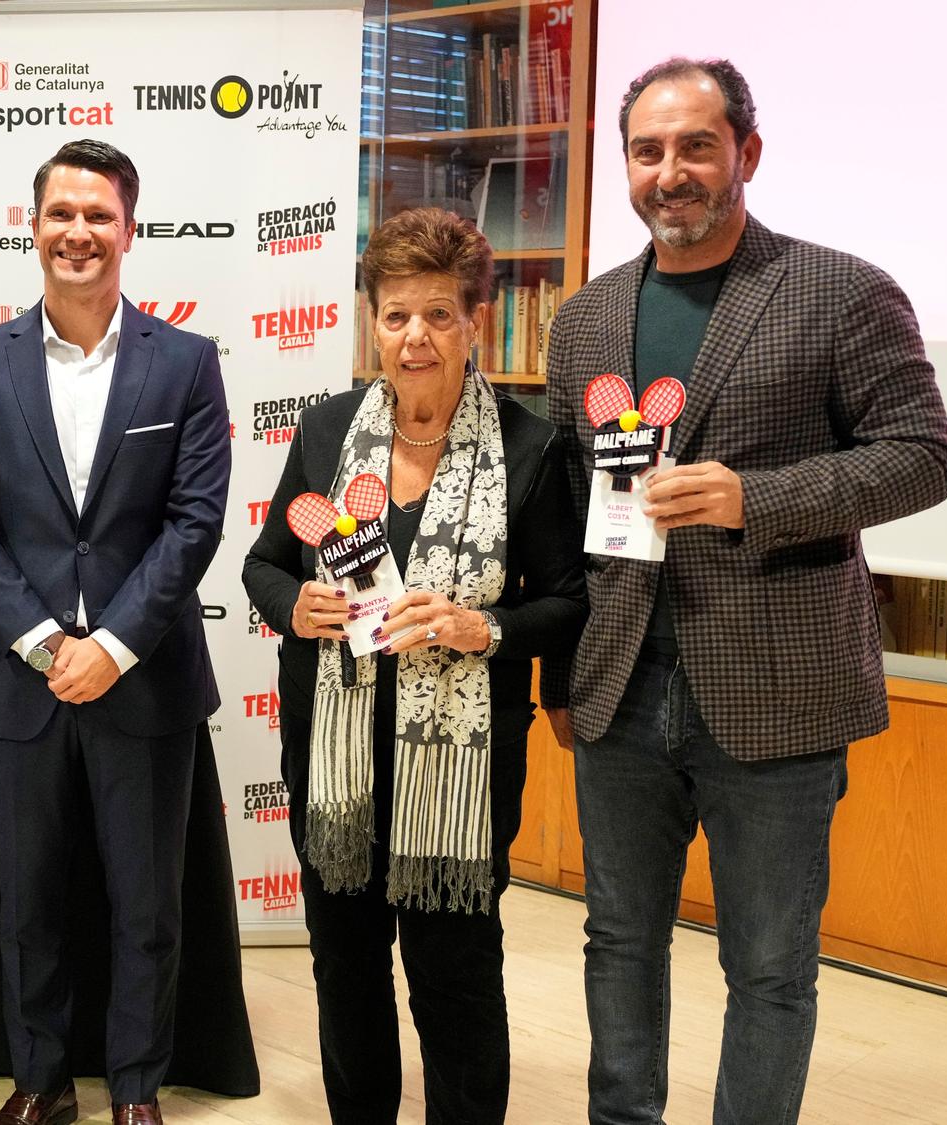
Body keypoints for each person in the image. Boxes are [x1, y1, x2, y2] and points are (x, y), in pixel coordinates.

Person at [543, 58, 947, 1125]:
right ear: (623, 167)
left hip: (778, 693)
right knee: (617, 942)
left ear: (745, 154)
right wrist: (554, 671)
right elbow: (560, 511)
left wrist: (750, 497)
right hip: (618, 688)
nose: (668, 172)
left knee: (768, 965)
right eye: (645, 150)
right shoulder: (585, 317)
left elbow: (919, 456)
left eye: (693, 146)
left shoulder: (840, 290)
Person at [242, 207, 585, 1123]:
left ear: (475, 320)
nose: (415, 337)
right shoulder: (324, 432)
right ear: (372, 322)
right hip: (337, 761)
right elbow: (265, 564)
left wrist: (484, 627)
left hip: (459, 775)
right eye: (396, 315)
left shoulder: (531, 446)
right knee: (345, 969)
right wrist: (296, 606)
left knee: (455, 976)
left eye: (438, 314)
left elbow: (569, 600)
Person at [0, 139, 229, 1125]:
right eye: (61, 213)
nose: (78, 232)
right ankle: (40, 1080)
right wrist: (44, 642)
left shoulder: (183, 363)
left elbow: (194, 520)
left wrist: (111, 645)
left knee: (145, 907)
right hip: (18, 681)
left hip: (141, 682)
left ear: (128, 230)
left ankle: (136, 1089)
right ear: (32, 226)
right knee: (26, 905)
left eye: (98, 215)